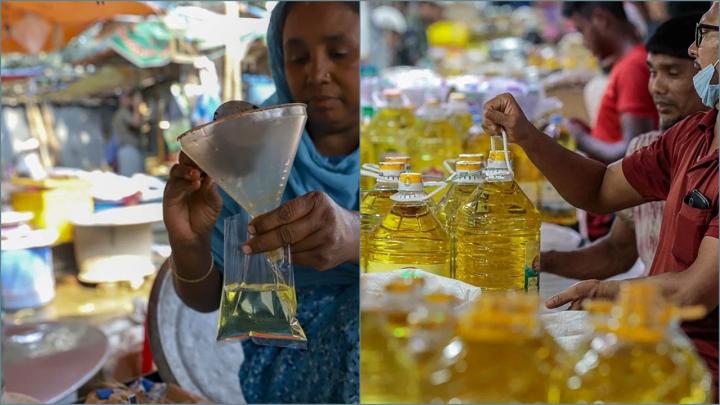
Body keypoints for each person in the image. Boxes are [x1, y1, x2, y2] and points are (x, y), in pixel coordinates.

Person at [483, 1, 718, 391]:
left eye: (705, 34)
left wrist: (606, 291)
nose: (694, 49)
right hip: (660, 345)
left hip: (701, 372)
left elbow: (693, 290)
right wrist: (525, 134)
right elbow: (598, 189)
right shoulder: (692, 136)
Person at [163, 2, 360, 403]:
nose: (317, 73)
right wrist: (188, 243)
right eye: (298, 57)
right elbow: (207, 299)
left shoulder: (417, 143)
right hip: (285, 368)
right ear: (277, 58)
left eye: (339, 53)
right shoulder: (246, 150)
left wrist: (362, 234)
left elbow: (459, 256)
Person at [542, 14, 708, 280]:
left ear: (710, 73)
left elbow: (691, 290)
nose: (657, 87)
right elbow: (616, 252)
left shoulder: (709, 157)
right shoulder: (648, 148)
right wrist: (536, 261)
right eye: (653, 72)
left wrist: (610, 293)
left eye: (673, 73)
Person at [562, 2, 659, 164]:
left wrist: (580, 137)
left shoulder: (632, 67)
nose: (583, 42)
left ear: (601, 19)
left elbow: (634, 151)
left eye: (581, 30)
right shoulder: (628, 62)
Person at [112, 89, 146, 176]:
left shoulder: (126, 112)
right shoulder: (122, 112)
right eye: (127, 97)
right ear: (121, 99)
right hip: (129, 151)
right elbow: (136, 123)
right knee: (133, 180)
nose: (130, 99)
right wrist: (136, 105)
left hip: (131, 150)